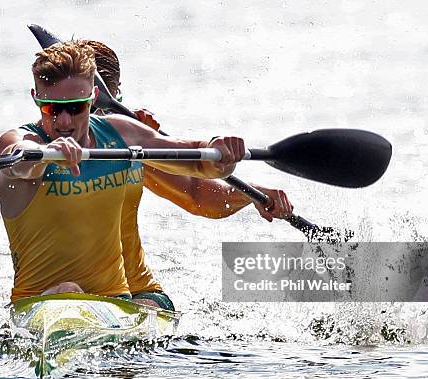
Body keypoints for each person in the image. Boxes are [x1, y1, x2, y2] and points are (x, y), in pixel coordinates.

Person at [0, 41, 246, 305]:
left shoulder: (121, 134)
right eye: (52, 109)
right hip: (41, 304)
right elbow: (19, 161)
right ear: (36, 98)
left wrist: (220, 153)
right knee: (66, 290)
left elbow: (196, 161)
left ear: (93, 98)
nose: (64, 122)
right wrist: (46, 152)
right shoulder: (20, 142)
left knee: (151, 305)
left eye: (76, 107)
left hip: (120, 303)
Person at [82, 40, 294, 310]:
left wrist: (252, 195)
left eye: (102, 111)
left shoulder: (126, 144)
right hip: (56, 293)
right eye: (61, 108)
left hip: (133, 292)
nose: (79, 123)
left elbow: (198, 196)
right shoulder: (33, 147)